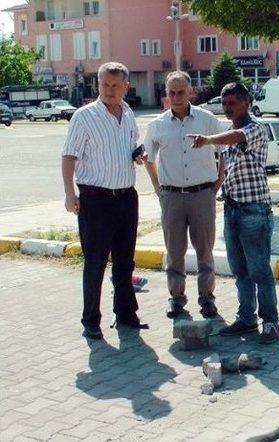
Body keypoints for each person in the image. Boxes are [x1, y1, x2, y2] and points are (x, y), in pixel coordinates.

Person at [188, 82, 279, 344]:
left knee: (259, 269)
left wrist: (207, 140)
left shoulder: (256, 128)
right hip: (232, 209)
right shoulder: (229, 130)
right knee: (240, 270)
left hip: (254, 210)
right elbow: (225, 168)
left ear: (246, 103)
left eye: (232, 103)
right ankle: (246, 318)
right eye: (224, 103)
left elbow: (236, 138)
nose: (227, 108)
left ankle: (270, 322)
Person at [62, 62, 148, 340]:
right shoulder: (84, 117)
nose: (110, 91)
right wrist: (69, 194)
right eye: (104, 85)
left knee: (125, 261)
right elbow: (68, 157)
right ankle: (91, 320)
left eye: (115, 86)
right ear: (97, 85)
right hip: (95, 201)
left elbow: (132, 146)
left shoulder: (129, 113)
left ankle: (125, 313)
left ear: (126, 86)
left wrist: (137, 155)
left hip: (125, 198)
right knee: (96, 263)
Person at [143, 71, 222, 319]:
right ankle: (176, 299)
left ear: (190, 92)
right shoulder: (157, 125)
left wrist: (217, 184)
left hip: (202, 196)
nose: (176, 97)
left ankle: (207, 299)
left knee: (205, 252)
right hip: (172, 197)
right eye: (171, 92)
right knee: (174, 252)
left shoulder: (207, 120)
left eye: (181, 92)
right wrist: (158, 187)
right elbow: (148, 158)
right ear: (166, 94)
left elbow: (224, 153)